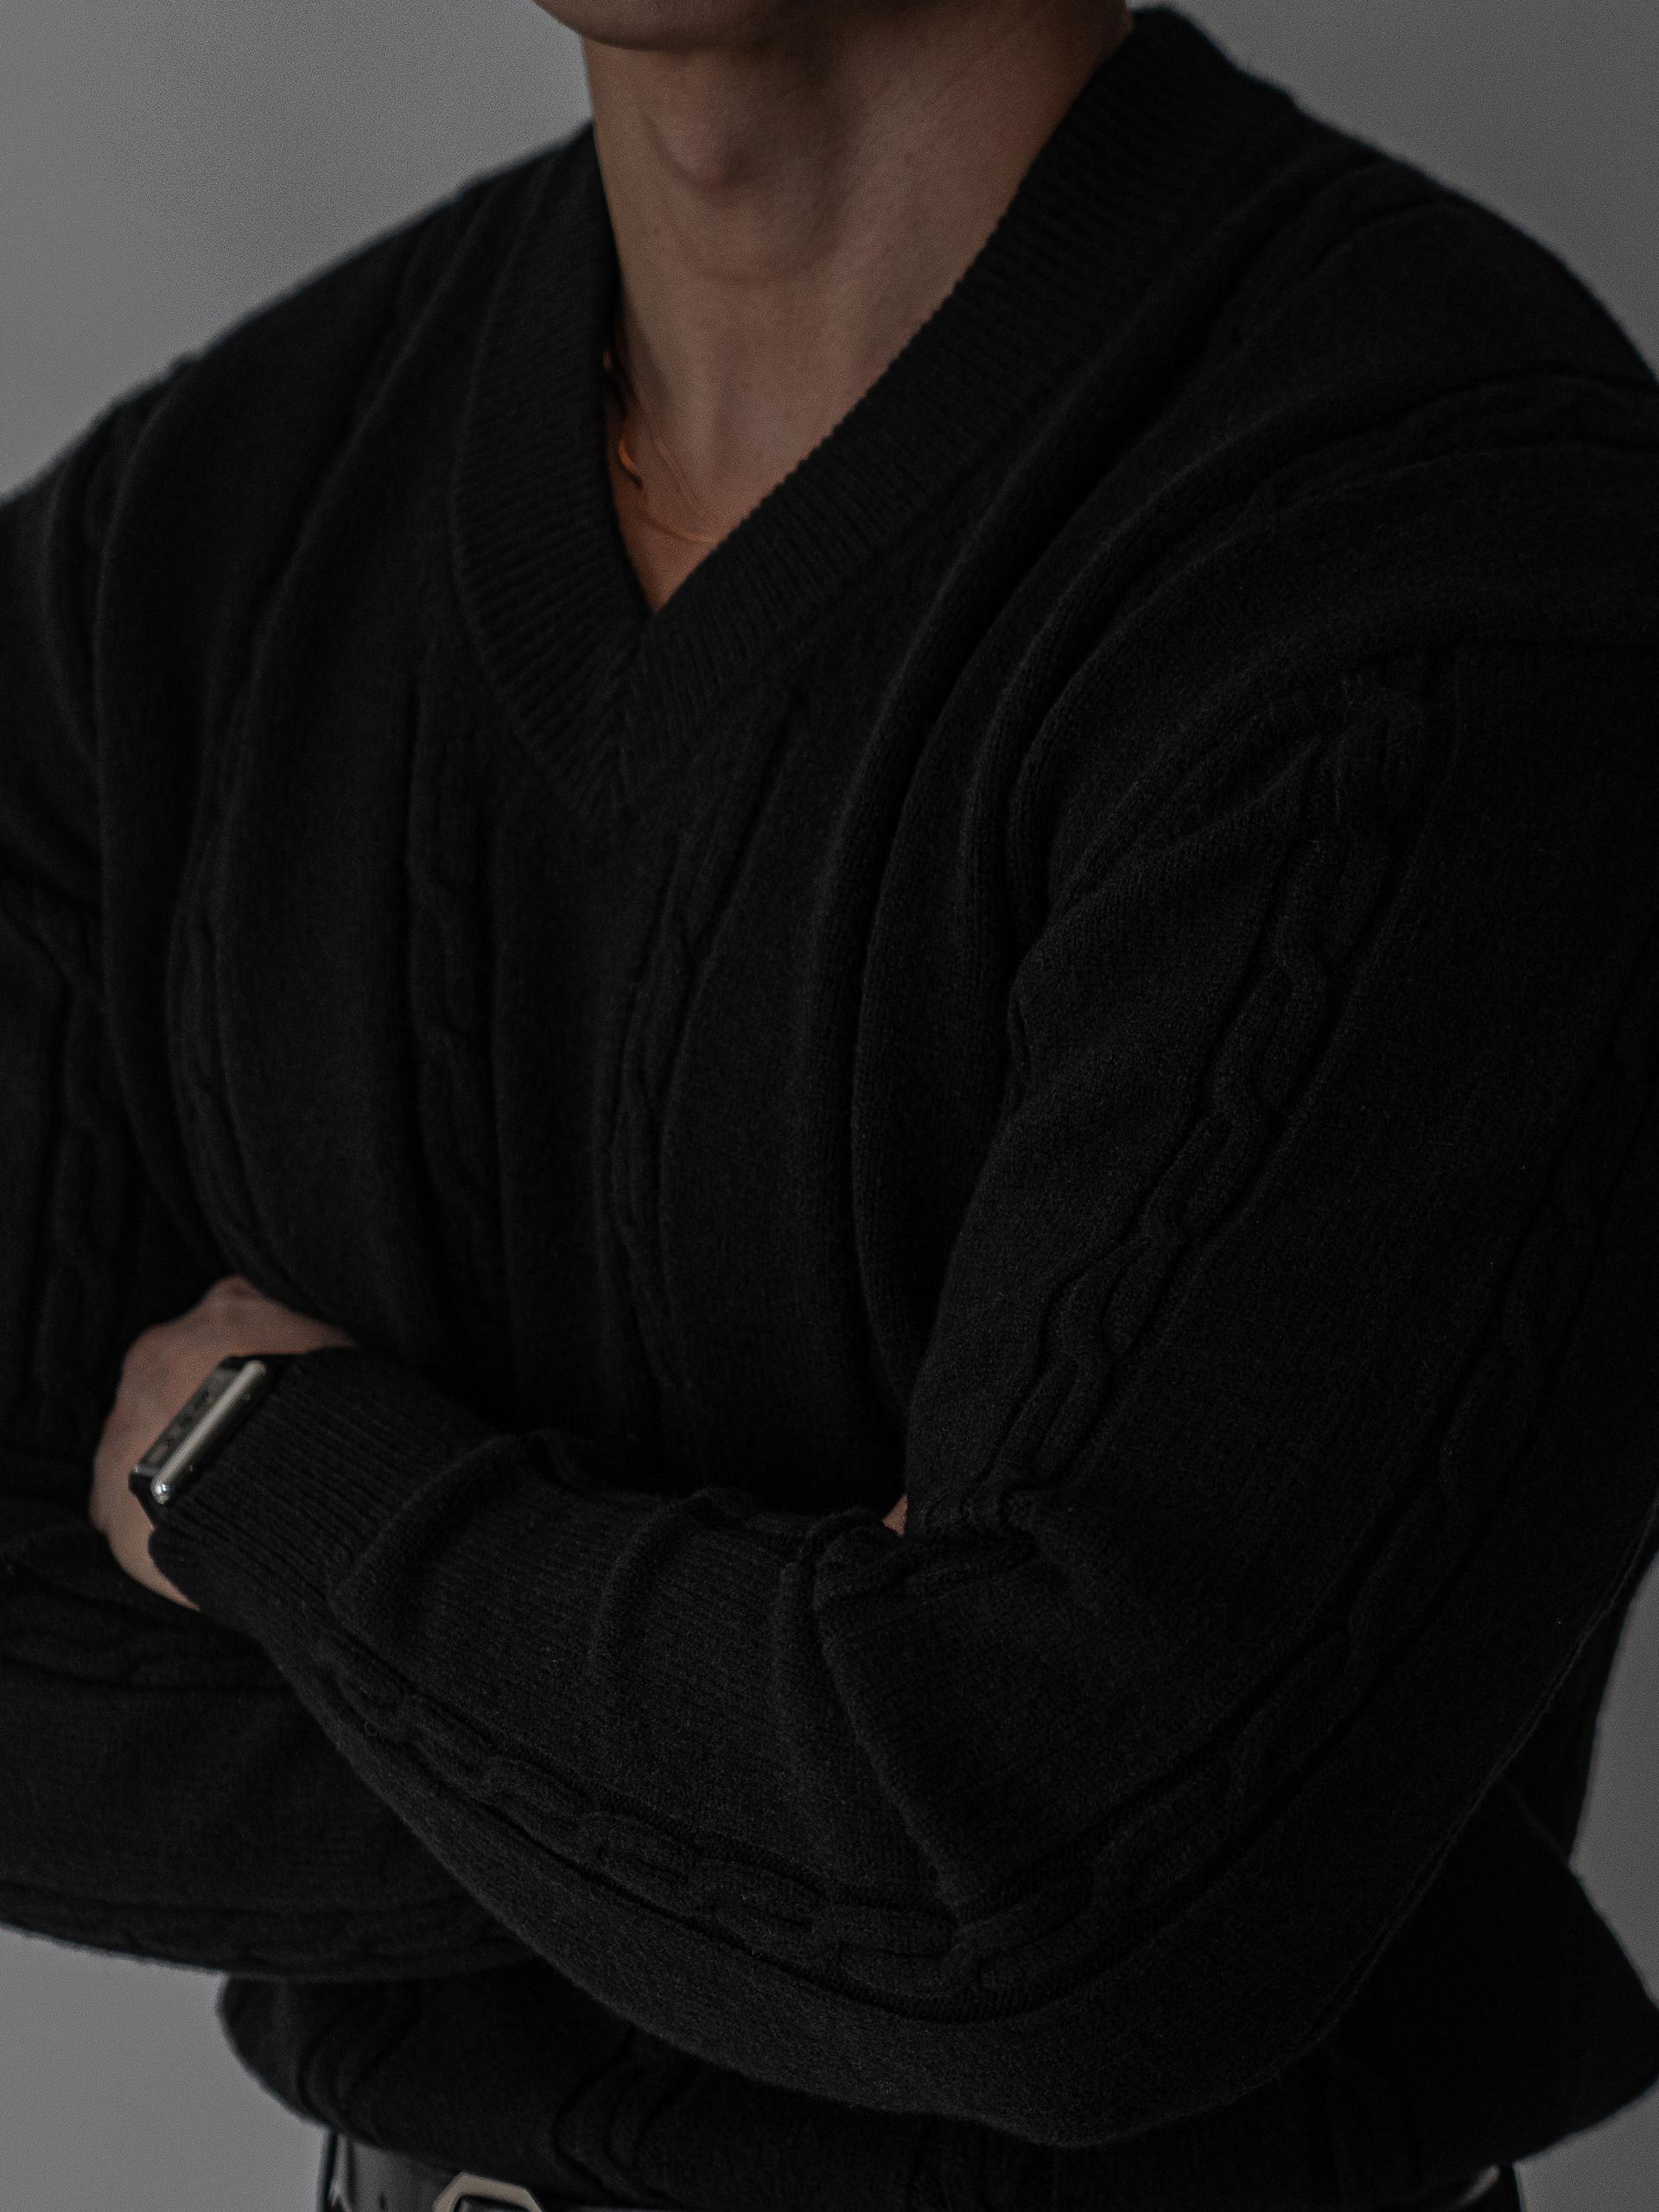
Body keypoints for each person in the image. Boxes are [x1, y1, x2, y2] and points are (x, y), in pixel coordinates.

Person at [3, 1, 1658, 2207]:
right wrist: (801, 1783)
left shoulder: (1449, 544)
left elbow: (1072, 1897)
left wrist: (263, 1477)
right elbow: (988, 1859)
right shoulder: (204, 532)